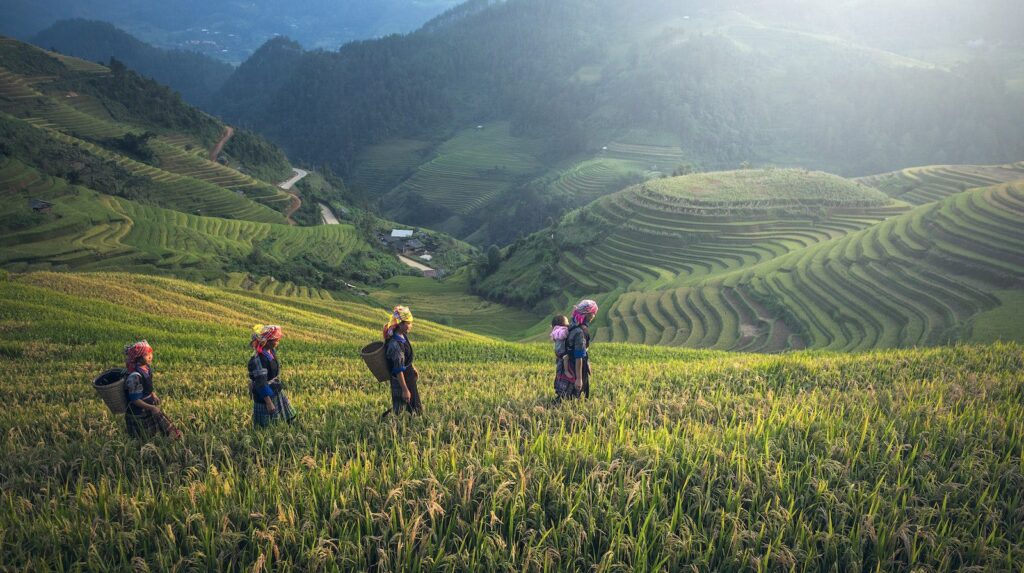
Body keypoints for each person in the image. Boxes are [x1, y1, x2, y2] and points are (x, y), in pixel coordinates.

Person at [123, 340, 183, 440]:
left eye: (151, 353)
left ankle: (172, 433)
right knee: (145, 435)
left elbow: (147, 386)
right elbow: (135, 400)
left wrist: (152, 394)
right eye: (147, 355)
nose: (150, 356)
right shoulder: (135, 377)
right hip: (138, 411)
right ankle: (171, 434)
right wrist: (151, 407)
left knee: (158, 421)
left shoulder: (146, 368)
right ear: (138, 358)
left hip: (147, 404)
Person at [248, 324, 297, 427]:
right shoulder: (258, 359)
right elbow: (261, 383)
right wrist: (269, 403)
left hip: (275, 388)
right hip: (264, 394)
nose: (278, 342)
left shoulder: (270, 351)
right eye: (276, 340)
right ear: (268, 342)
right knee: (265, 424)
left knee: (290, 416)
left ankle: (291, 430)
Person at [381, 305, 422, 418]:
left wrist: (412, 367)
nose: (411, 326)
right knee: (399, 409)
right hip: (401, 381)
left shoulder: (402, 335)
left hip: (408, 377)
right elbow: (398, 369)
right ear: (400, 324)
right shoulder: (395, 345)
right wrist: (405, 390)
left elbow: (405, 358)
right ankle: (388, 424)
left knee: (415, 408)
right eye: (408, 323)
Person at [565, 299, 599, 399]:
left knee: (568, 392)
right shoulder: (581, 332)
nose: (594, 316)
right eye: (593, 313)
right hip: (577, 365)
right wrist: (579, 378)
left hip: (570, 363)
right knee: (579, 394)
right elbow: (579, 356)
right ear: (587, 314)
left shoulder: (573, 324)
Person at [550, 315, 576, 400]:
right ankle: (566, 371)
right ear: (562, 324)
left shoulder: (555, 330)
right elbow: (564, 334)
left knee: (560, 364)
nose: (568, 324)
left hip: (558, 351)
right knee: (566, 358)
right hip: (561, 351)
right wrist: (570, 327)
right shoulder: (561, 330)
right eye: (566, 322)